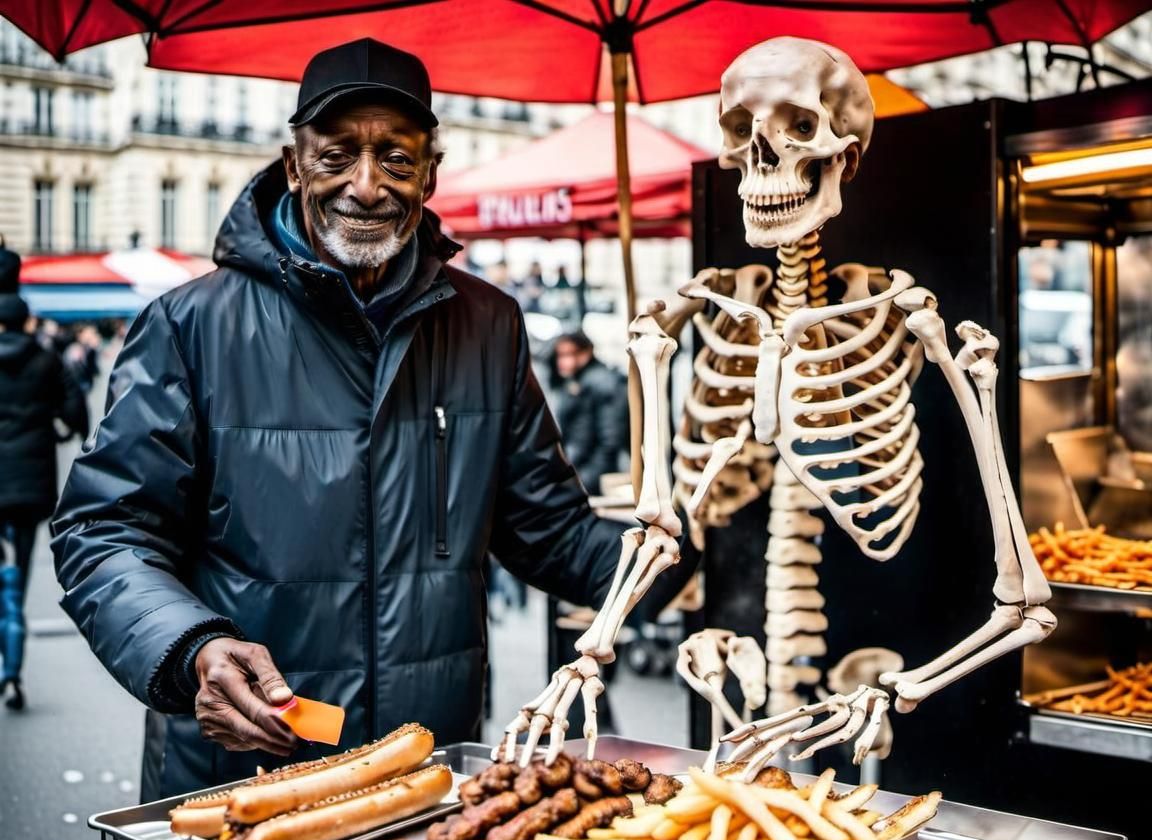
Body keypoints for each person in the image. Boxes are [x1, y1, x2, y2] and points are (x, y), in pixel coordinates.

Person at [52, 39, 693, 800]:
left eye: (395, 157)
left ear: (429, 173)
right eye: (336, 156)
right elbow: (104, 530)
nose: (366, 185)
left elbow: (548, 532)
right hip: (245, 772)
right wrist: (193, 647)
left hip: (424, 772)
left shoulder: (488, 324)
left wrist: (673, 555)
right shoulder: (190, 325)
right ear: (295, 165)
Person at [0, 245, 88, 710]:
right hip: (31, 487)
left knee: (5, 582)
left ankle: (8, 664)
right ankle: (13, 669)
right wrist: (53, 430)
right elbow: (75, 413)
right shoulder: (47, 359)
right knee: (15, 573)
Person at [549, 330, 628, 496]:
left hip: (595, 479)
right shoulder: (579, 381)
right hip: (583, 473)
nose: (562, 361)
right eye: (560, 355)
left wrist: (583, 482)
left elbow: (610, 441)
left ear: (586, 352)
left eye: (569, 354)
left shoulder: (603, 383)